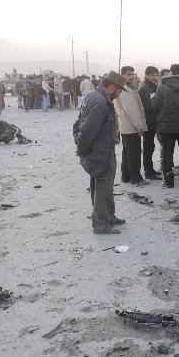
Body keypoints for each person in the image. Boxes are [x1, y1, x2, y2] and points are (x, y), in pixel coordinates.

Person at [73, 70, 126, 234]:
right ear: (111, 87)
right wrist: (82, 147)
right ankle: (101, 224)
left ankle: (109, 216)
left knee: (104, 183)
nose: (120, 94)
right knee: (103, 185)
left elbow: (81, 123)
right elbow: (87, 129)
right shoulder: (100, 102)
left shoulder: (95, 96)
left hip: (102, 148)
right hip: (100, 150)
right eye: (119, 90)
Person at [115, 66, 150, 186]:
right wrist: (139, 126)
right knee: (134, 153)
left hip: (127, 127)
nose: (131, 76)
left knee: (127, 153)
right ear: (123, 75)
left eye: (132, 74)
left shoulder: (127, 88)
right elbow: (131, 111)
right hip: (131, 127)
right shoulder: (124, 90)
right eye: (128, 74)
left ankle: (126, 176)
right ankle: (136, 178)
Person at [138, 66, 162, 180]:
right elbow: (148, 106)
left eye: (156, 75)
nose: (155, 77)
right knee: (148, 147)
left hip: (152, 121)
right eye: (152, 75)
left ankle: (150, 169)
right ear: (146, 75)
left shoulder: (152, 86)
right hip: (148, 121)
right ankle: (148, 172)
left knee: (150, 146)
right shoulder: (145, 87)